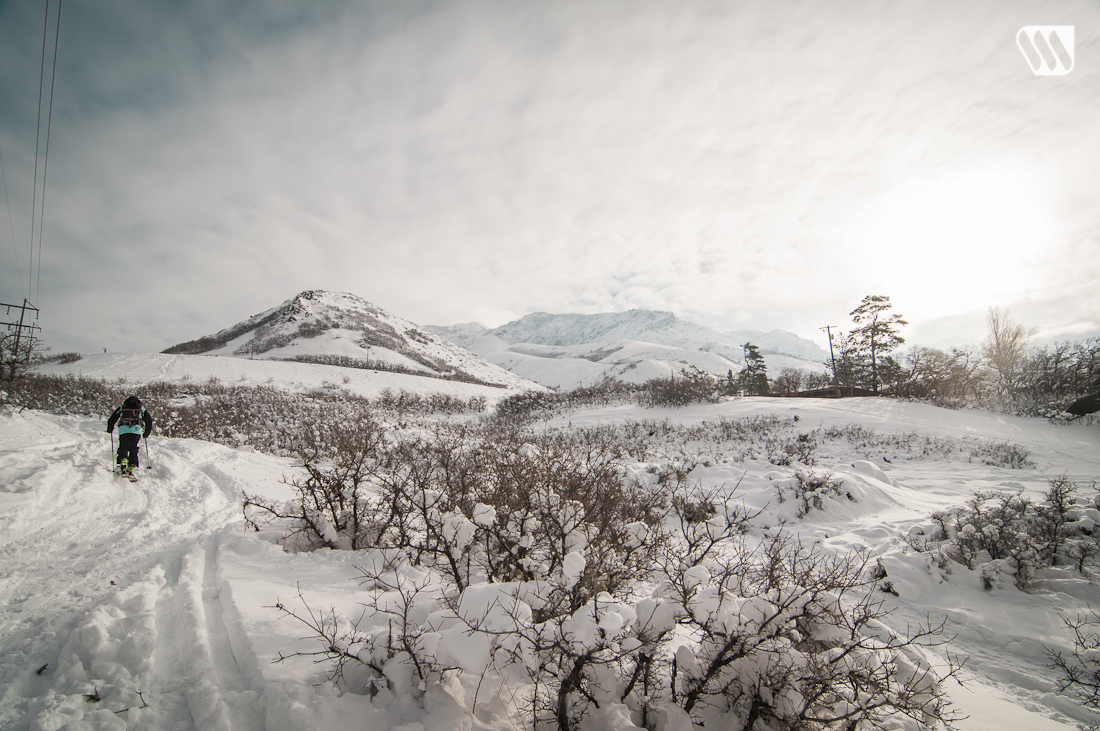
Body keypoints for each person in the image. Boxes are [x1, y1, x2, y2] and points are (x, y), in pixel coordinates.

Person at [107, 395, 154, 475]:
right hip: (136, 430)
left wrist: (110, 428)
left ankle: (123, 460)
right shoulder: (140, 409)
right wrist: (146, 432)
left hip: (123, 430)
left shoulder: (122, 408)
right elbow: (148, 420)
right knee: (133, 447)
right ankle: (132, 464)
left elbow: (112, 418)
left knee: (123, 446)